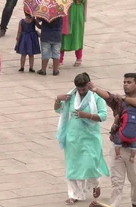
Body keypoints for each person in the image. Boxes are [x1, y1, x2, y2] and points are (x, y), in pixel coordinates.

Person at [89, 75, 136, 207]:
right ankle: (114, 205)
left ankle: (135, 202)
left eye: (129, 82)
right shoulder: (117, 102)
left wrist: (123, 98)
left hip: (135, 148)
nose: (125, 85)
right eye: (124, 82)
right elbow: (108, 96)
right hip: (117, 146)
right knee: (116, 181)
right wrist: (95, 89)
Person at [54, 73, 109, 205]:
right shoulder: (71, 96)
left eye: (84, 88)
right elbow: (58, 110)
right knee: (72, 167)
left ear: (89, 85)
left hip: (91, 136)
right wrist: (57, 99)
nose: (82, 91)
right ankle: (74, 194)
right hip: (73, 137)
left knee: (90, 164)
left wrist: (87, 115)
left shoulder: (97, 97)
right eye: (79, 89)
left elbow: (103, 116)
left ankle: (95, 183)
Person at [59, 0, 87, 67]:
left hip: (76, 13)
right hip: (64, 14)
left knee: (77, 34)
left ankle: (79, 57)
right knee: (61, 36)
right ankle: (60, 59)